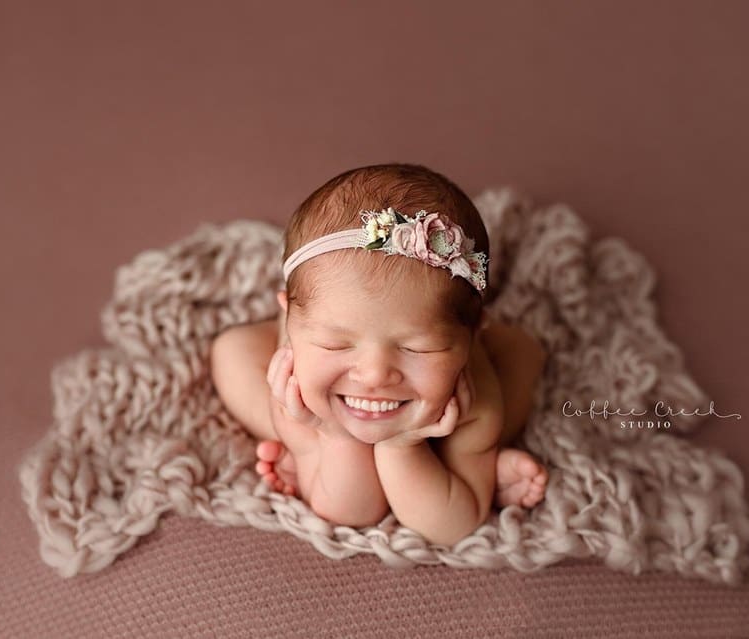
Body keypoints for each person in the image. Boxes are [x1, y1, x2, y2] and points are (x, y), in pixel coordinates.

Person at [210, 163, 549, 546]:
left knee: (524, 353)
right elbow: (350, 513)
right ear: (289, 317)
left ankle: (474, 464)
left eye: (415, 348)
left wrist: (402, 446)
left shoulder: (473, 404)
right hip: (313, 403)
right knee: (231, 353)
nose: (374, 375)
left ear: (471, 337)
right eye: (336, 344)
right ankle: (306, 455)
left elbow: (452, 527)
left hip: (446, 406)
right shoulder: (297, 394)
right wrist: (334, 435)